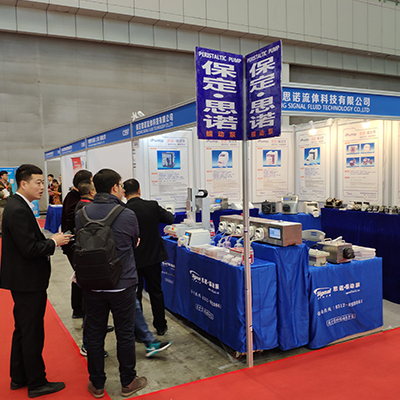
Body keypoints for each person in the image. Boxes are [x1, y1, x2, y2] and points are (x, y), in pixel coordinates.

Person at [0, 164, 71, 398]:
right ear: (23, 183)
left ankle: (19, 376)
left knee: (23, 329)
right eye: (38, 183)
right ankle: (37, 382)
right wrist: (53, 243)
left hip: (24, 279)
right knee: (32, 332)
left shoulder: (18, 205)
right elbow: (29, 248)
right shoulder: (18, 209)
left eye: (43, 182)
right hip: (27, 280)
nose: (43, 187)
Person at [75, 169, 147, 398]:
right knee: (124, 334)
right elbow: (134, 241)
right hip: (122, 283)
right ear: (115, 187)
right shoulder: (126, 214)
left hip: (92, 283)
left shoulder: (82, 213)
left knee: (94, 334)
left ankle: (96, 384)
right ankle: (128, 382)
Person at [123, 178, 174, 336]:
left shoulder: (123, 210)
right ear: (139, 191)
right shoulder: (152, 206)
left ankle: (138, 330)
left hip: (133, 258)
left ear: (124, 193)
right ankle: (160, 326)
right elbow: (170, 218)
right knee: (156, 292)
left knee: (135, 295)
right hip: (153, 256)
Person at [61, 169, 93, 319]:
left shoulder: (73, 196)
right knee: (82, 276)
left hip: (73, 242)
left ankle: (78, 309)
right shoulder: (76, 201)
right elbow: (73, 222)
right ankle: (82, 311)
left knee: (79, 275)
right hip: (74, 243)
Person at [0, 170, 13, 234]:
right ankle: (1, 231)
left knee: (8, 217)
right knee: (1, 218)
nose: (7, 177)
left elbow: (11, 193)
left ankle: (8, 230)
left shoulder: (9, 184)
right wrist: (2, 195)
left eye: (7, 175)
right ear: (1, 176)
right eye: (5, 175)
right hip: (1, 203)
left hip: (8, 203)